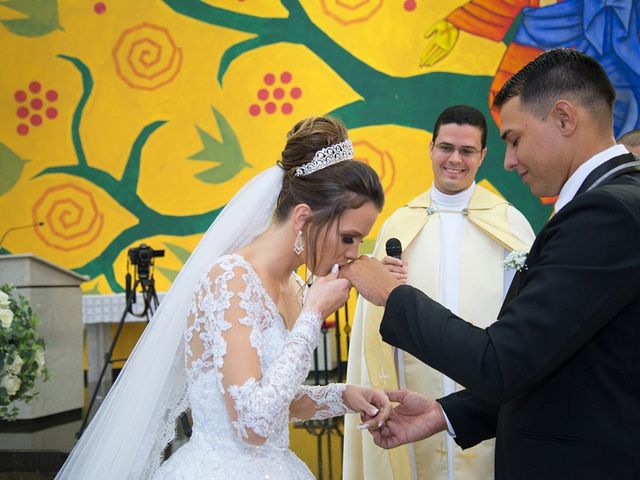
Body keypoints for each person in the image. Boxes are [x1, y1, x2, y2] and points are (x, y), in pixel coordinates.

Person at [341, 48, 640, 479]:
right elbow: (548, 356)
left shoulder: (605, 215)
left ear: (563, 118)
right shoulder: (613, 202)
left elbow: (503, 362)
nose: (508, 161)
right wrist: (445, 414)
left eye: (514, 139)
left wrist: (392, 294)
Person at [55, 116, 394, 479]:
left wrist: (345, 396)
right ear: (303, 218)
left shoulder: (294, 287)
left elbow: (283, 399)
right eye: (348, 238)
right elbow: (252, 423)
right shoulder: (230, 279)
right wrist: (313, 316)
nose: (353, 253)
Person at [343, 105, 534, 480]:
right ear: (431, 148)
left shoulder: (511, 224)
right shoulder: (401, 222)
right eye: (446, 147)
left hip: (483, 406)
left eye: (466, 151)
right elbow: (373, 325)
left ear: (483, 156)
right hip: (412, 406)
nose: (454, 159)